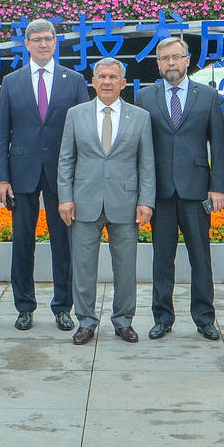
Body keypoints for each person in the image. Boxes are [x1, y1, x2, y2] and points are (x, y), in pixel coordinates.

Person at [0, 18, 87, 331]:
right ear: (27, 44)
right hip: (22, 173)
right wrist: (1, 177)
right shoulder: (12, 81)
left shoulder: (73, 80)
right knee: (23, 242)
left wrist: (80, 175)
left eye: (48, 38)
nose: (43, 44)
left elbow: (83, 132)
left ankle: (63, 307)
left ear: (55, 42)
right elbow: (2, 132)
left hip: (62, 174)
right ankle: (24, 307)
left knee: (63, 243)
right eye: (37, 39)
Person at [57, 57, 155, 345]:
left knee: (125, 267)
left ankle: (123, 321)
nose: (107, 82)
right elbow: (66, 160)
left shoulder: (140, 117)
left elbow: (146, 164)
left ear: (123, 83)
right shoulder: (76, 114)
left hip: (125, 202)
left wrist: (146, 201)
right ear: (93, 81)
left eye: (113, 77)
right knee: (83, 267)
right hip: (84, 201)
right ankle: (86, 322)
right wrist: (65, 198)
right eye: (102, 77)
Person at [136, 35, 224, 340]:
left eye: (176, 57)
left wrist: (218, 187)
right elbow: (141, 148)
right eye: (165, 59)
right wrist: (142, 192)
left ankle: (204, 318)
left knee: (200, 257)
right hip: (160, 191)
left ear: (187, 61)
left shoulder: (208, 96)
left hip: (197, 189)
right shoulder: (145, 97)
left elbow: (219, 145)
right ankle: (162, 318)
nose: (171, 63)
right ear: (158, 64)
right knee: (162, 259)